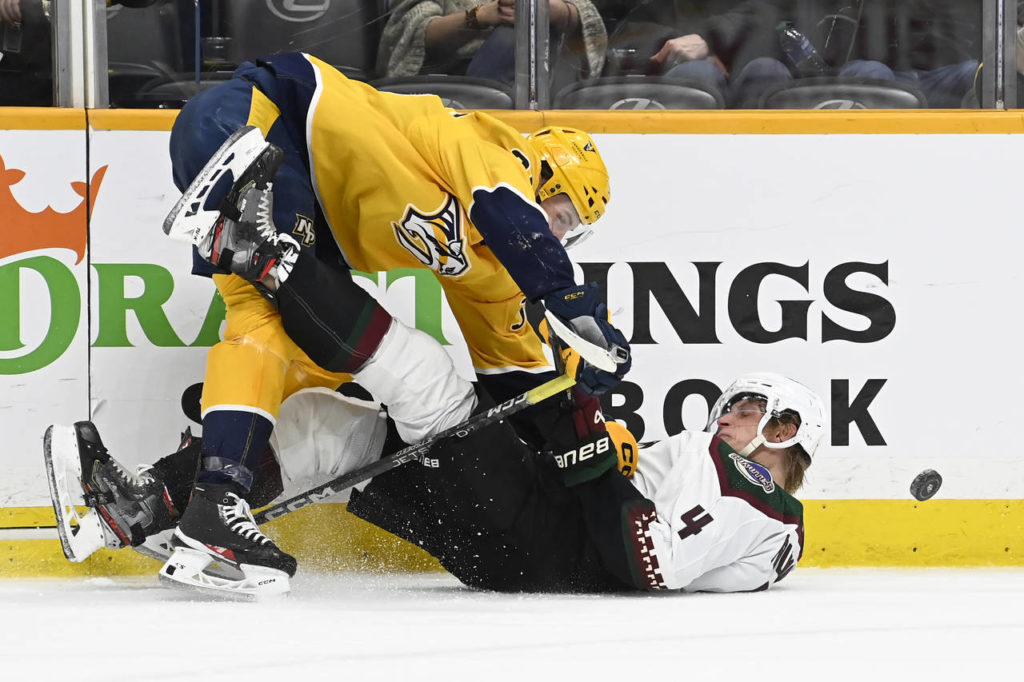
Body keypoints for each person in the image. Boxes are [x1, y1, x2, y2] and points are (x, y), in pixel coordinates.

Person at [150, 50, 628, 595]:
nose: (560, 237)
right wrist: (569, 295)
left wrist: (573, 409)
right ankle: (255, 242)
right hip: (263, 121)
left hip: (297, 203)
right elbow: (505, 206)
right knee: (280, 292)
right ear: (541, 175)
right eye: (563, 217)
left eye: (572, 232)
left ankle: (174, 500)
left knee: (273, 330)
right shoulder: (493, 150)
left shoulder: (495, 270)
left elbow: (512, 373)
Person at [46, 369, 823, 594]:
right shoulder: (741, 498)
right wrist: (578, 449)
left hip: (540, 545)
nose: (732, 417)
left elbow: (645, 559)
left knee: (433, 389)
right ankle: (143, 510)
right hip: (515, 548)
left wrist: (584, 447)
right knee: (326, 425)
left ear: (789, 432)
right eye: (734, 406)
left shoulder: (748, 490)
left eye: (753, 410)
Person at [377, 0, 607, 86]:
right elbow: (411, 33)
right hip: (450, 88)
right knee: (508, 38)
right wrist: (479, 17)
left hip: (543, 87)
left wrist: (557, 11)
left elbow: (587, 20)